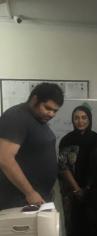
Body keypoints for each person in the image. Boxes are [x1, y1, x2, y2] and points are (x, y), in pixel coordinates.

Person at [0, 82, 64, 210]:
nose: (51, 114)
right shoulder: (16, 116)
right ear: (34, 99)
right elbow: (4, 158)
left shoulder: (39, 119)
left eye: (55, 111)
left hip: (37, 198)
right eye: (47, 108)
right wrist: (29, 192)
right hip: (19, 200)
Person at [59, 106, 97, 236]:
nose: (80, 121)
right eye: (76, 117)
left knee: (89, 231)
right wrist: (76, 189)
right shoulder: (67, 140)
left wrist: (87, 188)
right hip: (71, 194)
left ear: (89, 119)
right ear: (72, 120)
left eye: (84, 117)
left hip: (92, 193)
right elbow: (63, 167)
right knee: (72, 232)